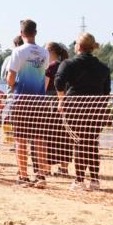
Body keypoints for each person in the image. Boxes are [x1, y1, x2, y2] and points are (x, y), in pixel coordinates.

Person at [55, 33, 112, 191]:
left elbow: (58, 81)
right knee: (92, 142)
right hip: (97, 108)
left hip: (76, 107)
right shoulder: (103, 67)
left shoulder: (68, 64)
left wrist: (61, 100)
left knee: (79, 142)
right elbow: (106, 92)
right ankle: (94, 180)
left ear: (78, 47)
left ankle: (79, 180)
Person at [8, 20, 50, 188]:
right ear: (35, 32)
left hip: (22, 100)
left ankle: (23, 177)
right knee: (39, 139)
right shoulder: (45, 52)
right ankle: (41, 176)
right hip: (39, 101)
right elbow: (44, 76)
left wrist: (12, 85)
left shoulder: (18, 51)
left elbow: (11, 78)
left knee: (20, 140)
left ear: (21, 33)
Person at [44, 42, 73, 176]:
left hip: (51, 103)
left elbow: (44, 86)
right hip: (66, 102)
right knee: (64, 135)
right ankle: (64, 168)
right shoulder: (67, 65)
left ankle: (47, 168)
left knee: (49, 135)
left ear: (51, 52)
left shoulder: (51, 67)